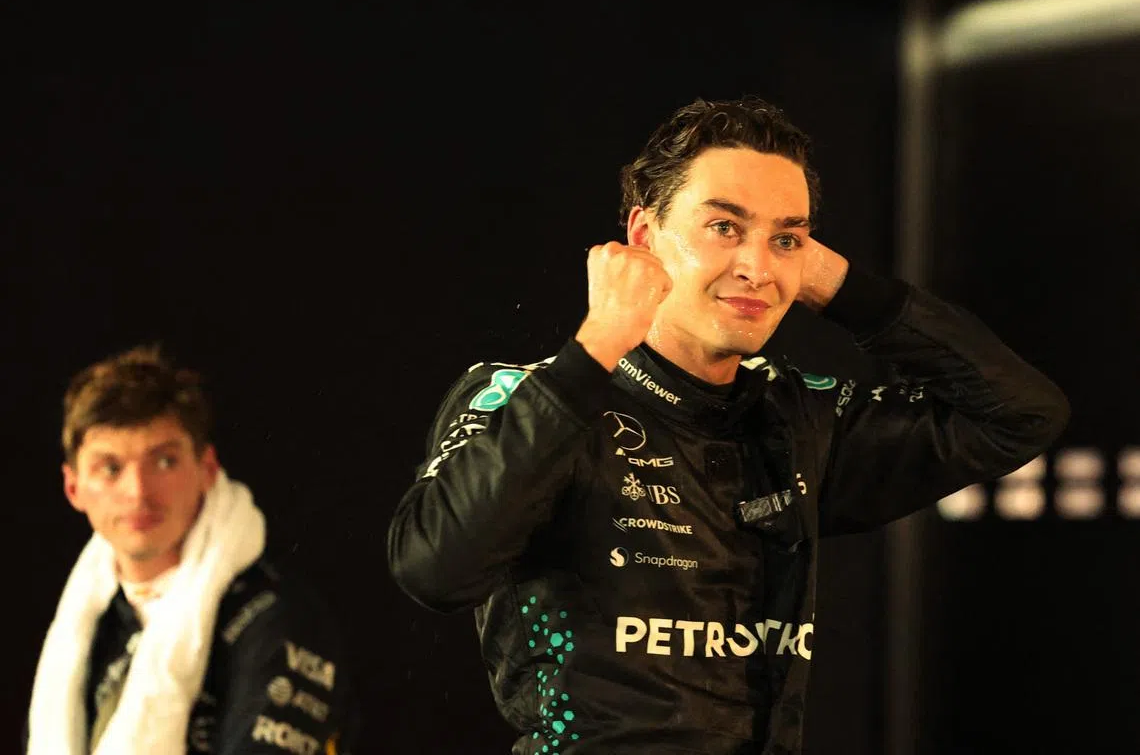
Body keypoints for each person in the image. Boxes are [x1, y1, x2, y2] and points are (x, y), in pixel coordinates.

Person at [387, 97, 1069, 754]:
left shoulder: (800, 418)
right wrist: (594, 348)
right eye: (724, 227)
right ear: (645, 236)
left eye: (786, 237)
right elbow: (434, 569)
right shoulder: (529, 394)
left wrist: (835, 284)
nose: (757, 265)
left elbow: (1020, 413)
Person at [25, 346, 358, 755]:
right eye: (110, 468)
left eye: (163, 461)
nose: (138, 493)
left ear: (207, 468)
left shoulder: (276, 618)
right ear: (73, 487)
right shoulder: (88, 626)